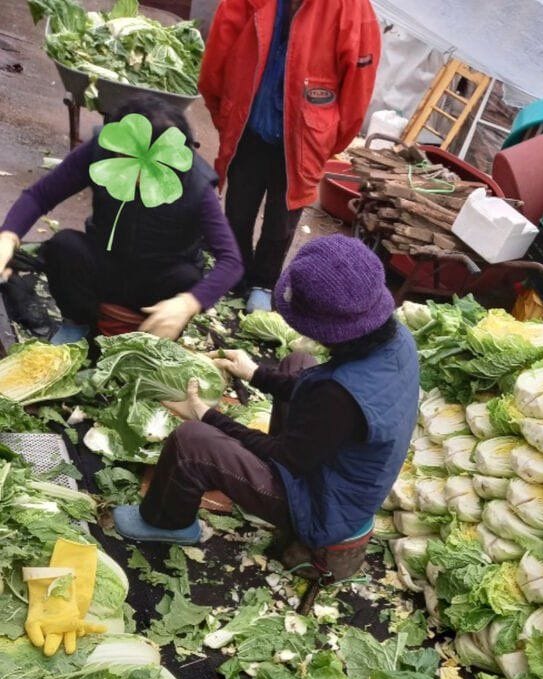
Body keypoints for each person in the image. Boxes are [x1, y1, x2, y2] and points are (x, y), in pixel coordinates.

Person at [113, 235, 419, 566]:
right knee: (298, 363)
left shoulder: (339, 397)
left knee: (192, 444)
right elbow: (320, 397)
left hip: (324, 509)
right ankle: (252, 478)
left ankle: (166, 523)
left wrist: (206, 414)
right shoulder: (395, 338)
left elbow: (289, 456)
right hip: (336, 473)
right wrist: (256, 374)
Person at [0, 98, 243, 344]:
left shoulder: (196, 185)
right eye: (125, 156)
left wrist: (188, 304)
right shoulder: (102, 149)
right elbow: (39, 196)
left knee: (187, 277)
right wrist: (8, 237)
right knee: (64, 246)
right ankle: (77, 324)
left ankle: (147, 337)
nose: (135, 171)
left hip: (158, 280)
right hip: (106, 262)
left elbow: (231, 262)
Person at [199, 0, 381, 313]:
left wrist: (325, 141)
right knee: (238, 210)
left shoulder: (351, 10)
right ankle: (236, 272)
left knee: (281, 221)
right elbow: (218, 55)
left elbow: (357, 93)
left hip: (302, 140)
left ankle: (265, 282)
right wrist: (225, 114)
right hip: (250, 128)